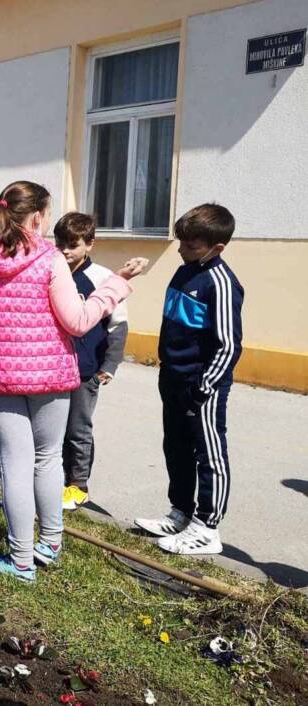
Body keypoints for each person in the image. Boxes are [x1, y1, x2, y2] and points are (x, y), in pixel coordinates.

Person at [0, 181, 147, 582]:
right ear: (39, 217)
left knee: (15, 464)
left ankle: (21, 561)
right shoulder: (49, 258)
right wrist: (115, 285)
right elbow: (77, 322)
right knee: (47, 459)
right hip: (51, 374)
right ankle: (50, 544)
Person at [135, 204, 243, 555]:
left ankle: (207, 527)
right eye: (181, 241)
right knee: (176, 446)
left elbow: (228, 345)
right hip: (173, 377)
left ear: (217, 247)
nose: (181, 249)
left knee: (208, 452)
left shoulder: (221, 282)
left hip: (202, 384)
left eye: (191, 245)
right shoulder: (185, 272)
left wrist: (204, 386)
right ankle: (181, 512)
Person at [52, 213, 129, 511]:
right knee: (55, 427)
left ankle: (78, 485)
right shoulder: (53, 273)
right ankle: (58, 476)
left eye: (73, 244)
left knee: (78, 428)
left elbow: (118, 325)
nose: (65, 251)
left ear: (90, 244)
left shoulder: (103, 279)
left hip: (86, 370)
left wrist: (109, 365)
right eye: (60, 244)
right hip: (55, 367)